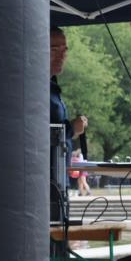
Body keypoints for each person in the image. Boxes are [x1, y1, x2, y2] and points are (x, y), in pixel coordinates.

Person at [50, 27, 88, 162]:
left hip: (58, 176)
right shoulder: (32, 88)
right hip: (44, 177)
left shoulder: (52, 85)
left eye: (64, 50)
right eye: (54, 50)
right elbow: (33, 135)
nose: (61, 56)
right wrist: (71, 129)